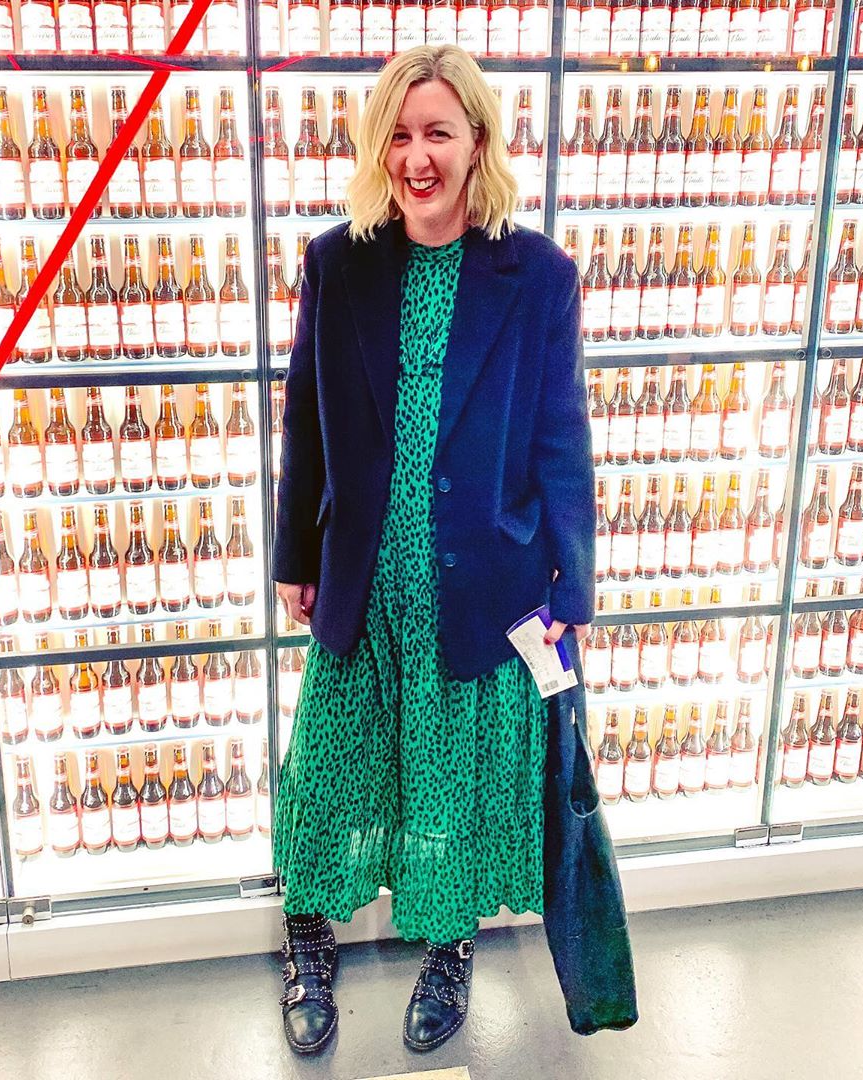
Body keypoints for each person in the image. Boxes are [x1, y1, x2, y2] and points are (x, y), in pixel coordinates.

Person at [271, 44, 599, 1055]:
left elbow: (561, 437)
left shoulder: (538, 277)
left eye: (439, 134)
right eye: (400, 135)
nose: (418, 157)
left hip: (479, 589)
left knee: (447, 784)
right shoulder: (339, 262)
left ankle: (448, 948)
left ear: (478, 142)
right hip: (363, 585)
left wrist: (574, 590)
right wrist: (294, 556)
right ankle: (308, 937)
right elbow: (306, 422)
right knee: (327, 775)